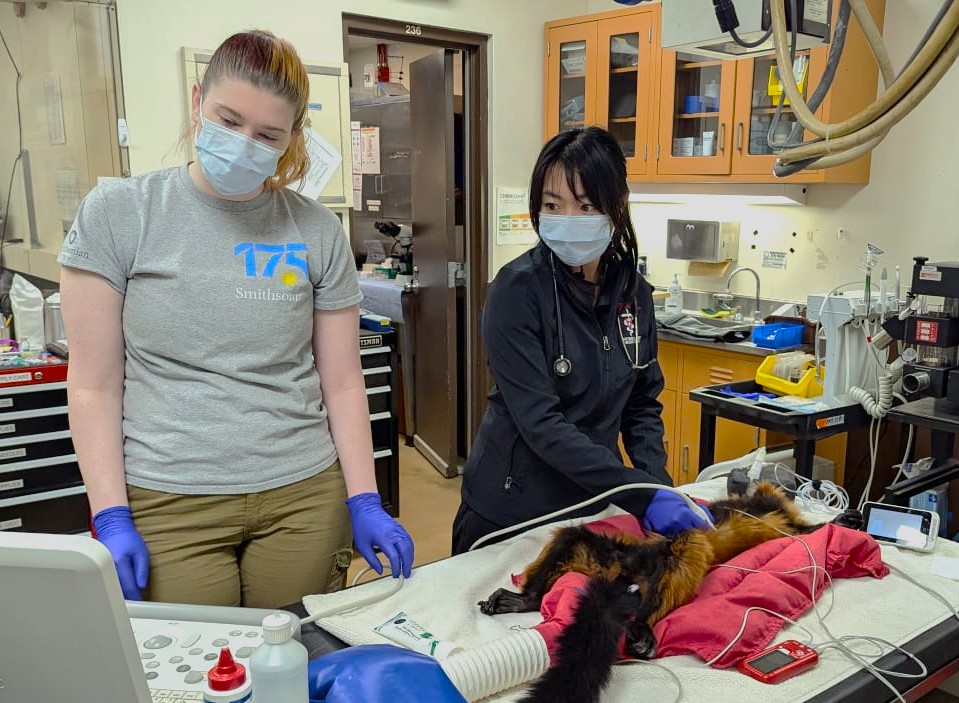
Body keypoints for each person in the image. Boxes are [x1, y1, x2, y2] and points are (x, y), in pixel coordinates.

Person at [58, 30, 413, 608]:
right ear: (198, 100)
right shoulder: (122, 214)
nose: (244, 143)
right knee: (199, 680)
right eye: (228, 120)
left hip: (302, 492)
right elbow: (95, 384)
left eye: (267, 134)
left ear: (291, 138)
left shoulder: (316, 231)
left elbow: (343, 382)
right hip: (170, 497)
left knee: (296, 657)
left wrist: (365, 499)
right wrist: (110, 512)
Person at [452, 126, 709, 554]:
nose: (568, 221)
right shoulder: (515, 293)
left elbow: (642, 404)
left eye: (586, 206)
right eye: (554, 205)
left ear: (617, 207)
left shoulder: (633, 294)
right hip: (511, 512)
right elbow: (542, 425)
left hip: (590, 505)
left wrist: (658, 486)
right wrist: (639, 493)